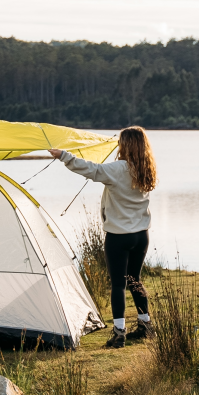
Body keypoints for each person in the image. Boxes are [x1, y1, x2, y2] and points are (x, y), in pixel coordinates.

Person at [49, 126, 157, 349]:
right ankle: (145, 326)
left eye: (120, 142)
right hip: (141, 236)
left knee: (118, 284)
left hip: (119, 236)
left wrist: (64, 156)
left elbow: (91, 169)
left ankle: (119, 334)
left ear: (126, 145)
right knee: (135, 280)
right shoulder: (147, 168)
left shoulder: (118, 169)